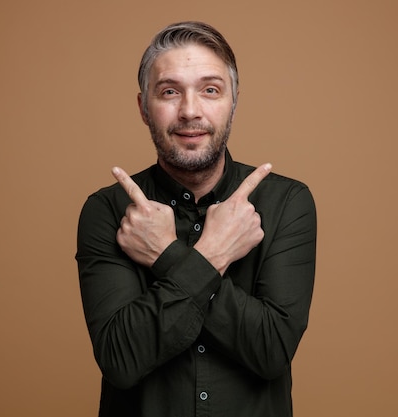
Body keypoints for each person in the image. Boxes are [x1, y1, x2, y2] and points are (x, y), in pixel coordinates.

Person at [76, 21, 316, 417]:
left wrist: (168, 255)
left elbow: (272, 351)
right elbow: (120, 360)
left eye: (210, 90)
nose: (190, 111)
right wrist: (214, 254)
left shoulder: (287, 202)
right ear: (143, 108)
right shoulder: (109, 211)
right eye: (170, 92)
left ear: (233, 102)